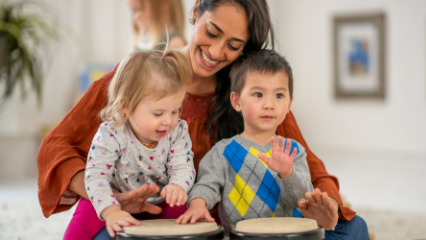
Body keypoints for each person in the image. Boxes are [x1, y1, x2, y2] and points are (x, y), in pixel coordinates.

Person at [37, 0, 367, 239]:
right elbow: (56, 147)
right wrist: (108, 199)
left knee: (354, 230)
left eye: (233, 45)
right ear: (196, 11)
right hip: (153, 221)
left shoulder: (251, 94)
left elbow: (311, 168)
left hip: (235, 224)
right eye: (212, 32)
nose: (217, 51)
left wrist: (326, 209)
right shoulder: (135, 78)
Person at [176, 50, 314, 233]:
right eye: (258, 94)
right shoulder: (222, 152)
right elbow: (205, 185)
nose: (269, 104)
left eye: (279, 95)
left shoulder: (294, 150)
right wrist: (197, 205)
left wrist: (287, 173)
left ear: (289, 103)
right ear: (237, 101)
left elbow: (304, 200)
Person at [65, 49, 196, 239]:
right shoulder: (111, 133)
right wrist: (111, 211)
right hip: (114, 197)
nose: (168, 121)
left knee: (184, 217)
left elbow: (183, 165)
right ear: (126, 106)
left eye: (175, 111)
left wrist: (177, 187)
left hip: (160, 199)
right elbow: (95, 176)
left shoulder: (178, 130)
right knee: (79, 226)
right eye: (158, 113)